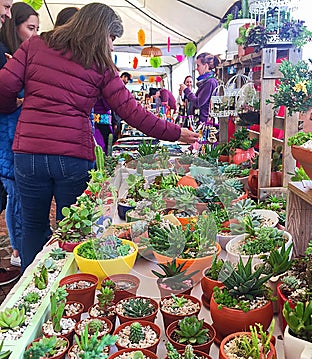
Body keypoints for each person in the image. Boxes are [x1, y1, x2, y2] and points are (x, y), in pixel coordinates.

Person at [0, 3, 198, 272]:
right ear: (99, 33)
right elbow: (132, 112)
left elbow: (4, 86)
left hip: (29, 153)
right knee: (73, 229)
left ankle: (31, 293)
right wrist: (177, 133)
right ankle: (70, 287)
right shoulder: (100, 65)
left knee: (33, 226)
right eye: (111, 39)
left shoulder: (35, 46)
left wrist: (12, 106)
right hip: (71, 158)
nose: (112, 47)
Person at [0, 2, 39, 268]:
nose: (35, 35)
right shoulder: (6, 55)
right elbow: (7, 99)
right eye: (30, 28)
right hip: (7, 136)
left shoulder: (16, 54)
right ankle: (17, 252)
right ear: (15, 27)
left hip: (18, 135)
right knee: (16, 195)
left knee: (18, 195)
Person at [179, 52, 220, 123]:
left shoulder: (210, 82)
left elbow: (198, 102)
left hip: (205, 123)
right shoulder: (208, 81)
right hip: (204, 121)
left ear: (206, 66)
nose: (196, 68)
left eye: (198, 65)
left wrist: (186, 90)